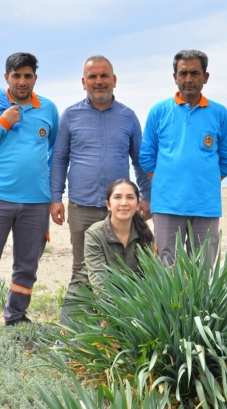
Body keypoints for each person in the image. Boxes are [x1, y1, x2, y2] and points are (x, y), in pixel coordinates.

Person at [0, 52, 59, 335]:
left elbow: (55, 153)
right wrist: (2, 122)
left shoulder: (49, 109)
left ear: (35, 79)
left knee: (27, 265)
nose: (22, 81)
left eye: (27, 76)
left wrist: (53, 195)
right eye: (16, 76)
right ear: (6, 77)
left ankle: (16, 316)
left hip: (36, 203)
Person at [51, 55, 151, 281]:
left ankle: (119, 314)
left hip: (120, 208)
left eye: (104, 75)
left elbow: (140, 161)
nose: (99, 81)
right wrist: (56, 198)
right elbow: (59, 159)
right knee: (82, 268)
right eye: (92, 76)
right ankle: (80, 315)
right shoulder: (69, 116)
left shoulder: (129, 116)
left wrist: (147, 196)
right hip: (81, 207)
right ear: (83, 82)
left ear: (114, 79)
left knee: (123, 266)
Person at [139, 49, 227, 264]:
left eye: (195, 73)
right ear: (175, 77)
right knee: (167, 267)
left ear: (205, 77)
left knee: (203, 268)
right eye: (183, 73)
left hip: (206, 205)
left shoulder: (219, 112)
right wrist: (167, 182)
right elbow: (147, 154)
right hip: (166, 205)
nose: (188, 79)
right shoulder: (159, 111)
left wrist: (208, 178)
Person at [59, 179, 154, 327]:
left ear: (137, 204)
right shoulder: (95, 233)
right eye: (117, 197)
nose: (124, 203)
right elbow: (99, 281)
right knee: (85, 344)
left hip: (128, 301)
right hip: (86, 298)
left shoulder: (145, 235)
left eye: (130, 197)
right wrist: (110, 316)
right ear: (108, 205)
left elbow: (149, 278)